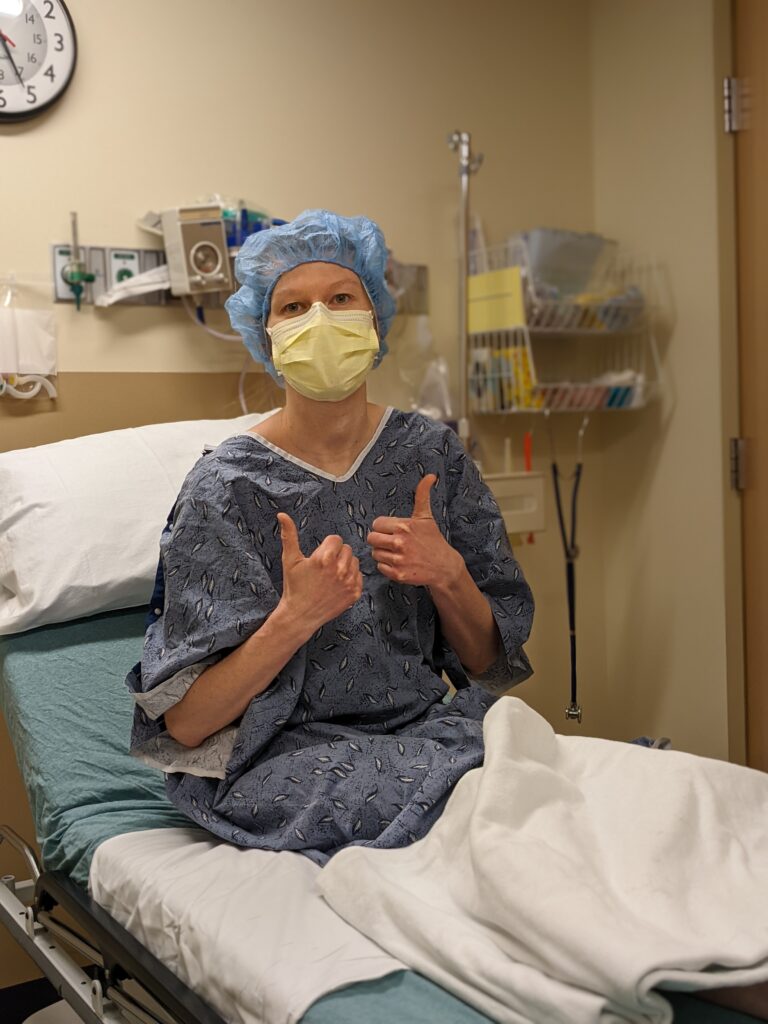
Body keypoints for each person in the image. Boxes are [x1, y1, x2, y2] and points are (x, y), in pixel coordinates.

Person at [126, 209, 534, 863]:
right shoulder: (225, 487)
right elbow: (187, 725)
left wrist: (448, 574)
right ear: (266, 335)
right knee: (482, 810)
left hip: (429, 730)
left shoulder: (431, 453)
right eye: (293, 306)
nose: (319, 319)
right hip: (283, 758)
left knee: (544, 776)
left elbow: (490, 666)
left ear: (375, 320)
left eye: (341, 298)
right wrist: (292, 619)